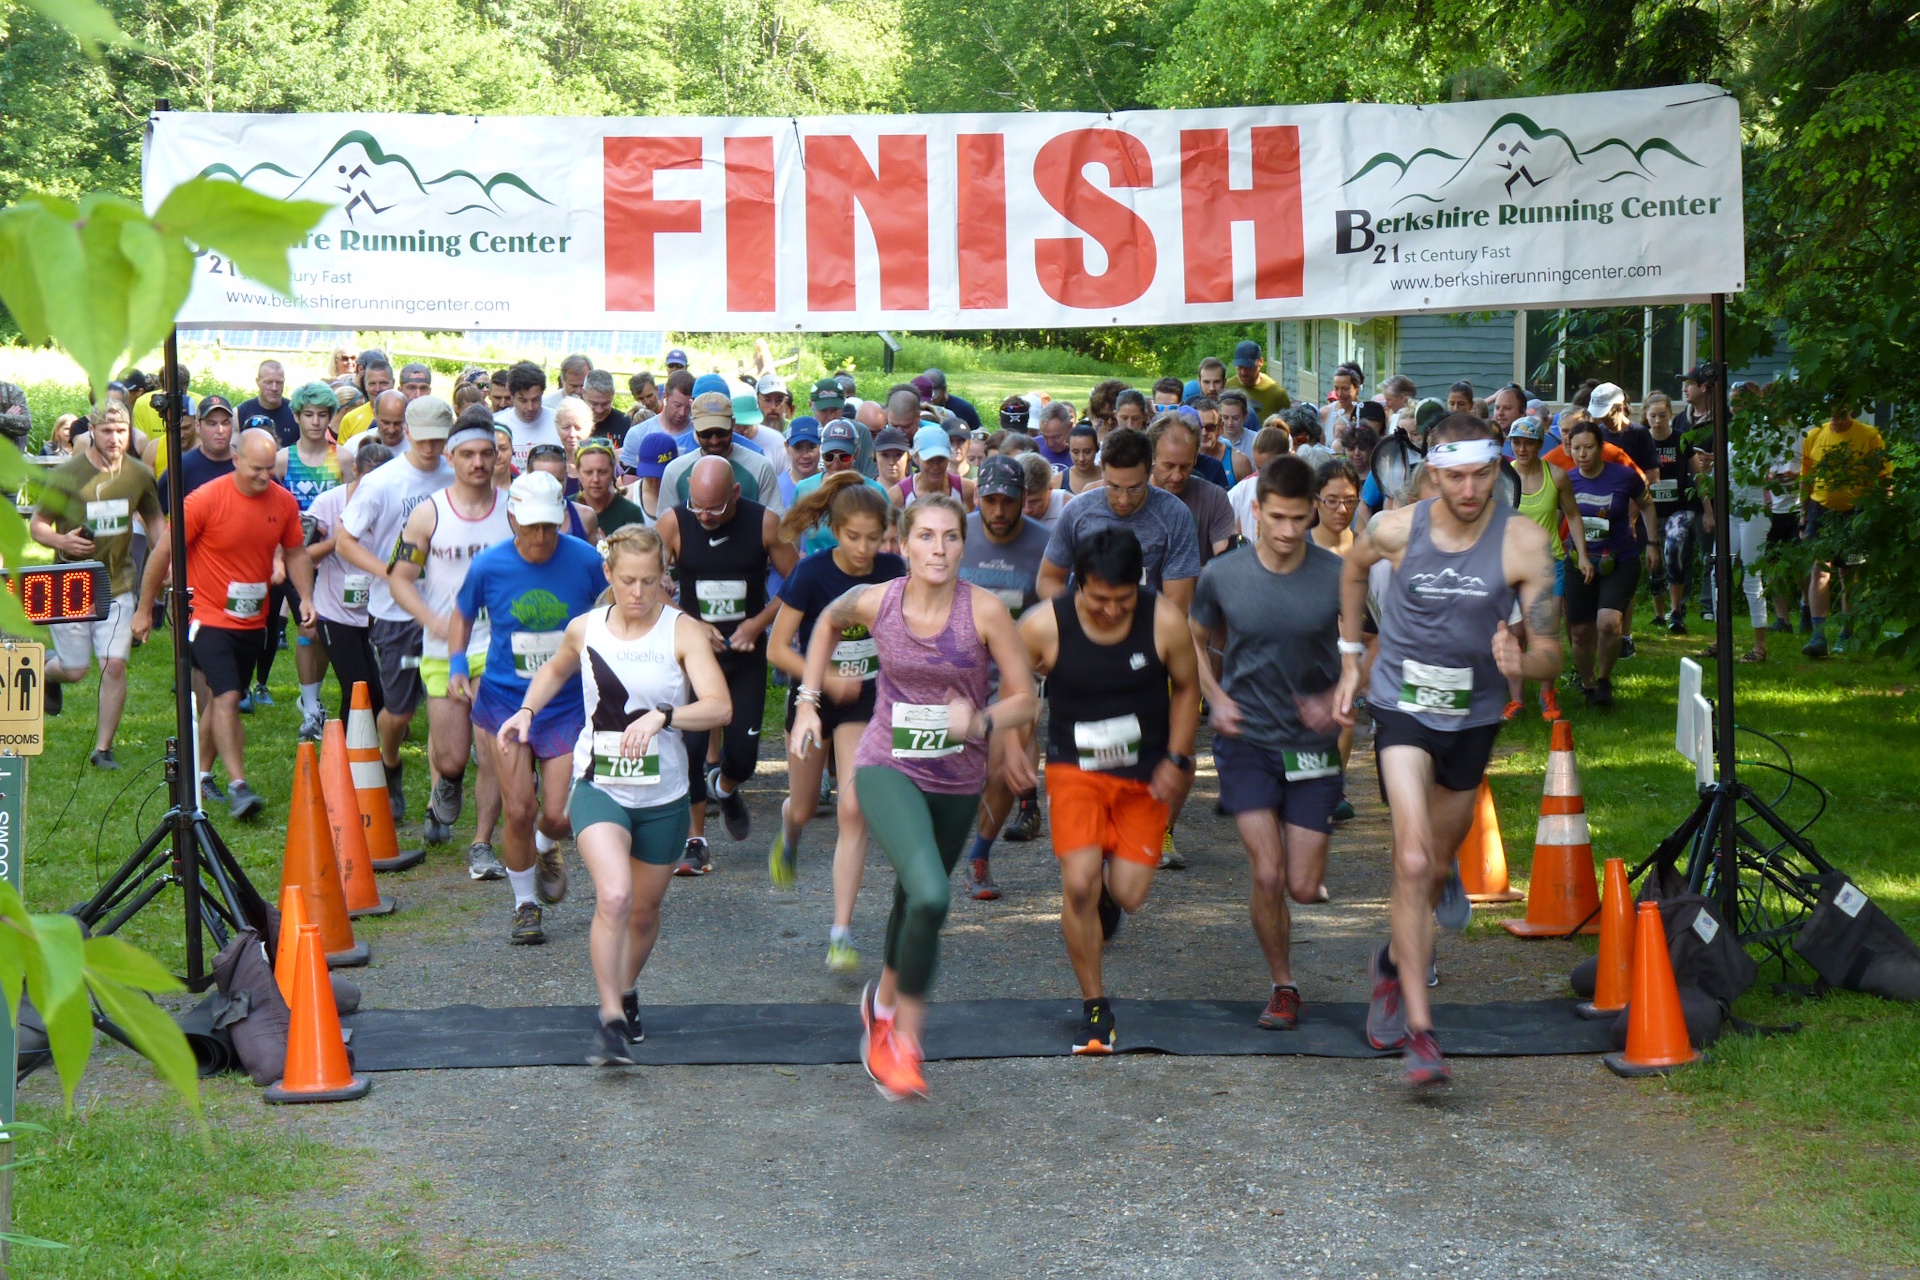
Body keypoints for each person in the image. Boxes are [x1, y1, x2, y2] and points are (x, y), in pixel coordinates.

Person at [1336, 414, 1562, 1087]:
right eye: (1455, 474)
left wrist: (1523, 655)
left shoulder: (1523, 543)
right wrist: (1352, 656)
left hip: (1473, 719)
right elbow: (1351, 571)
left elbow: (1552, 653)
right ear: (1431, 473)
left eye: (1483, 473)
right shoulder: (1397, 530)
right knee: (1409, 858)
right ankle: (1422, 1032)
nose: (1470, 488)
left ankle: (1390, 963)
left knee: (1433, 870)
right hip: (1402, 707)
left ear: (1498, 470)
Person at [789, 495, 1036, 1101]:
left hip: (957, 777)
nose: (939, 549)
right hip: (885, 763)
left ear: (964, 545)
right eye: (926, 537)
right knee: (931, 891)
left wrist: (977, 722)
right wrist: (807, 702)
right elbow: (824, 622)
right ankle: (903, 1041)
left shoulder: (983, 612)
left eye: (951, 538)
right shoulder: (879, 601)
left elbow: (1026, 698)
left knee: (914, 902)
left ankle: (882, 1006)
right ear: (905, 543)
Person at [499, 525, 732, 1065]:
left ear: (663, 579)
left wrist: (666, 716)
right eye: (627, 580)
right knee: (616, 897)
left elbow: (720, 707)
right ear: (608, 575)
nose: (638, 593)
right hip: (599, 785)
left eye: (650, 582)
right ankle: (608, 1019)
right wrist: (527, 711)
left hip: (665, 795)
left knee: (645, 913)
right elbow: (555, 669)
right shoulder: (585, 629)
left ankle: (625, 990)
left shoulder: (683, 632)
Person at [1017, 527, 1197, 1052]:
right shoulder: (1045, 625)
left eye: (1122, 600)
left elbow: (1188, 687)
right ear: (1077, 585)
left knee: (1128, 894)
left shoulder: (1163, 619)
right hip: (1075, 771)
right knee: (1078, 885)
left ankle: (1104, 899)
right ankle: (1095, 1009)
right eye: (1099, 600)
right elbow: (1015, 687)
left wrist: (1178, 758)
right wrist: (1015, 748)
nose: (1112, 611)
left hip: (1143, 777)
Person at [1191, 455, 1347, 1030]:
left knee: (1303, 887)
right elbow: (1194, 636)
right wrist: (1215, 694)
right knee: (1268, 873)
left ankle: (1312, 900)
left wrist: (1335, 696)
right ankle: (1284, 985)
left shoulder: (1336, 576)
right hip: (1247, 739)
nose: (1286, 532)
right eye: (1276, 518)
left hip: (1309, 743)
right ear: (1255, 511)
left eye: (1299, 519)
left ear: (1315, 515)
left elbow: (1372, 648)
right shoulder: (1223, 575)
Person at [450, 471, 608, 944]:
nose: (540, 537)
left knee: (558, 815)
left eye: (549, 526)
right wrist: (458, 664)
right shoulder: (489, 565)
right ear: (512, 517)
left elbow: (616, 605)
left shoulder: (584, 560)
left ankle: (547, 846)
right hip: (504, 700)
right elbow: (461, 613)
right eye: (530, 526)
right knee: (518, 809)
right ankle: (524, 905)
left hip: (565, 706)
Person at [134, 429, 315, 820]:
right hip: (205, 616)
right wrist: (144, 609)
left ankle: (200, 775)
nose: (264, 477)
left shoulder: (281, 502)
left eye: (270, 470)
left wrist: (308, 598)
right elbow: (163, 552)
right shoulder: (204, 500)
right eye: (256, 469)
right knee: (230, 696)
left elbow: (297, 551)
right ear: (236, 459)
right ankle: (239, 787)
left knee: (220, 701)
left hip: (252, 620)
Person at [766, 474, 905, 968]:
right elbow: (778, 649)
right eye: (853, 537)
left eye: (873, 537)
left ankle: (840, 932)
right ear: (834, 530)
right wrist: (825, 680)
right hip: (813, 700)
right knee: (804, 809)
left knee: (853, 810)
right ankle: (790, 832)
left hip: (864, 704)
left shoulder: (894, 569)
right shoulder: (811, 574)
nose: (865, 549)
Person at [656, 456, 798, 872]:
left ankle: (728, 784)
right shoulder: (673, 522)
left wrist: (757, 624)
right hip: (695, 655)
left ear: (735, 494)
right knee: (693, 748)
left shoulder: (765, 522)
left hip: (744, 652)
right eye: (696, 507)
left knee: (743, 754)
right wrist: (689, 623)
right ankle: (694, 840)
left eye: (714, 509)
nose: (703, 517)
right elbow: (646, 581)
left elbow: (798, 580)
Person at [388, 410, 510, 875]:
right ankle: (448, 781)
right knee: (452, 756)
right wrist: (434, 620)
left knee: (494, 745)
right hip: (443, 648)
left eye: (486, 453)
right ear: (451, 458)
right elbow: (400, 578)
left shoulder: (512, 509)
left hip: (496, 646)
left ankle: (481, 843)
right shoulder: (429, 512)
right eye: (468, 455)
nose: (478, 463)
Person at [337, 397, 457, 819]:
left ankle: (437, 799)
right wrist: (388, 573)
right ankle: (390, 762)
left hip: (445, 609)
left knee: (444, 703)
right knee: (401, 709)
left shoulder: (455, 474)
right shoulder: (382, 482)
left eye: (438, 441)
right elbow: (344, 540)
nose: (430, 449)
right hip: (393, 612)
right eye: (422, 440)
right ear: (407, 432)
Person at [31, 401, 164, 757]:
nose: (114, 438)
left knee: (114, 664)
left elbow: (154, 522)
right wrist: (62, 540)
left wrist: (164, 563)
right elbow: (37, 526)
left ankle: (103, 749)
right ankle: (47, 671)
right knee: (75, 669)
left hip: (118, 583)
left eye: (121, 432)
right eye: (107, 431)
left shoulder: (138, 474)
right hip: (69, 584)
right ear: (92, 430)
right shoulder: (68, 474)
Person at [957, 456, 1056, 890]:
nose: (998, 511)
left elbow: (1058, 611)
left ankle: (979, 853)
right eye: (990, 500)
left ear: (1024, 501)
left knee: (1001, 769)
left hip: (1013, 680)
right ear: (977, 496)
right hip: (953, 676)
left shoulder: (1048, 545)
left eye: (1008, 502)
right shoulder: (954, 534)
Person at [1038, 426, 1201, 612]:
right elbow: (1048, 579)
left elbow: (1178, 601)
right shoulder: (1077, 511)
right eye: (1113, 487)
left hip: (1148, 624)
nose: (1123, 499)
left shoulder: (1175, 516)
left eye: (1134, 488)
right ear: (1102, 473)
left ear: (1149, 474)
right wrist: (1077, 614)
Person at [270, 382, 345, 735]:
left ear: (330, 418)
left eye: (322, 416)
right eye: (309, 415)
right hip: (295, 557)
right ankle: (311, 708)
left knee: (327, 630)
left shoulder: (343, 458)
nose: (316, 423)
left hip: (332, 558)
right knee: (306, 626)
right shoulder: (283, 459)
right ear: (297, 416)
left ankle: (310, 695)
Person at [1564, 419, 1657, 704]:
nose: (1582, 454)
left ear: (1601, 447)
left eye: (1588, 447)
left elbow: (1646, 504)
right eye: (1576, 448)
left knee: (1607, 622)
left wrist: (1653, 544)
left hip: (1620, 558)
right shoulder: (1566, 479)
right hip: (1579, 560)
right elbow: (1559, 518)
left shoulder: (1623, 476)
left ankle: (1604, 679)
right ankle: (1588, 683)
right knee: (1579, 631)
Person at [1504, 416, 1590, 720]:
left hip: (1547, 563)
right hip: (1511, 564)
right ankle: (1516, 700)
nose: (1522, 448)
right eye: (1516, 442)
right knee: (1514, 633)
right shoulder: (1503, 476)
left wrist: (1582, 555)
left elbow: (1574, 516)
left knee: (1545, 629)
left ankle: (1547, 693)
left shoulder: (1556, 475)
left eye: (1528, 442)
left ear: (1540, 445)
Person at [306, 443, 390, 732]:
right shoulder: (328, 503)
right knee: (357, 687)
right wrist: (337, 541)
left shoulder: (393, 504)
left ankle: (359, 756)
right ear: (354, 471)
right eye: (368, 479)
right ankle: (342, 757)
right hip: (334, 611)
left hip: (375, 610)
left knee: (377, 696)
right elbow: (301, 556)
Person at [1800, 399, 1886, 657]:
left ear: (1851, 407)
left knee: (1850, 574)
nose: (1836, 414)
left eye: (1841, 408)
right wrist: (1802, 516)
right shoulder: (1815, 435)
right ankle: (1818, 637)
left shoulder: (1869, 435)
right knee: (1819, 571)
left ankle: (1846, 634)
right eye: (1832, 409)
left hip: (1856, 513)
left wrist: (1880, 512)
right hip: (1820, 512)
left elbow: (1884, 477)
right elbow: (1807, 478)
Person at [658, 392, 781, 513]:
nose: (714, 440)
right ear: (694, 426)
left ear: (732, 424)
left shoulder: (760, 468)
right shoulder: (675, 471)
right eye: (706, 433)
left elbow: (775, 523)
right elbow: (666, 526)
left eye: (721, 432)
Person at [1148, 413, 1235, 564]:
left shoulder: (1213, 498)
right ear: (1152, 457)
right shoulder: (1133, 496)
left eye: (1185, 467)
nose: (1177, 476)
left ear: (1195, 458)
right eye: (1169, 466)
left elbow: (1226, 563)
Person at [1228, 426, 1294, 543]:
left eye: (1269, 468)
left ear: (1286, 458)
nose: (1263, 475)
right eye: (1258, 467)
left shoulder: (1299, 490)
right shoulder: (1242, 490)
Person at [495, 361, 560, 469]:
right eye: (523, 401)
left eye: (536, 399)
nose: (530, 407)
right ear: (511, 395)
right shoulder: (498, 426)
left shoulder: (559, 422)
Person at [575, 440, 645, 535]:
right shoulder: (567, 509)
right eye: (589, 472)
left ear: (613, 471)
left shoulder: (630, 513)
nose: (595, 479)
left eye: (602, 472)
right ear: (578, 472)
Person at [900, 424, 976, 508]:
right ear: (916, 458)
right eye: (929, 460)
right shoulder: (900, 495)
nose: (935, 466)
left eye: (941, 459)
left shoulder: (966, 490)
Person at [236, 359, 297, 446]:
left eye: (279, 383)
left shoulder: (296, 413)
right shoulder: (240, 413)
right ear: (258, 382)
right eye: (268, 382)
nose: (274, 388)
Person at [335, 354, 393, 442]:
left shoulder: (406, 416)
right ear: (365, 385)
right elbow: (341, 454)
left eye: (383, 383)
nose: (377, 389)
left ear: (393, 383)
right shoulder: (350, 419)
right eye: (372, 384)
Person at [1230, 340, 1289, 420]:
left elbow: (1288, 425)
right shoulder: (1228, 387)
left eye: (1248, 367)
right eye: (1240, 367)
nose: (1243, 372)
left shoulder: (1277, 394)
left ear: (1260, 362)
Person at [779, 417, 822, 507]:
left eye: (811, 447)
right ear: (787, 446)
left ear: (821, 446)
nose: (805, 455)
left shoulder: (830, 483)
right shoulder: (777, 486)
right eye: (798, 448)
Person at [1018, 453, 1065, 526]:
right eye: (1021, 501)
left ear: (1050, 488)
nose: (1027, 510)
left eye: (1034, 502)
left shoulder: (1070, 510)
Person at [1065, 423, 1101, 495]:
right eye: (1076, 452)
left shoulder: (1109, 478)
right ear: (1069, 449)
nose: (1081, 459)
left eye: (1087, 452)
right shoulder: (1058, 481)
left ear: (1097, 448)